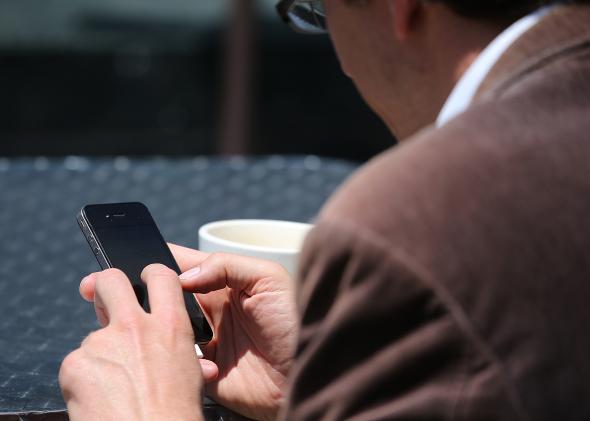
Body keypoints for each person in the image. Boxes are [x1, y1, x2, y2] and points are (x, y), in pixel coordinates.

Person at [59, 0, 590, 419]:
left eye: (318, 10)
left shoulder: (416, 219)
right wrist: (338, 389)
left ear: (398, 6)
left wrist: (149, 410)